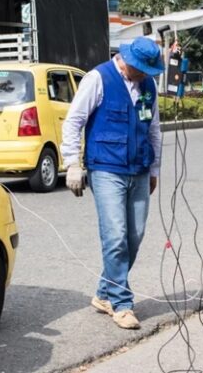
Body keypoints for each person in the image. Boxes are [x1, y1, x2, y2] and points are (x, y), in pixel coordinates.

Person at [61, 36, 164, 330]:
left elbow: (153, 128)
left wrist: (154, 169)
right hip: (107, 168)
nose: (145, 74)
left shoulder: (148, 86)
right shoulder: (98, 78)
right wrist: (72, 164)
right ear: (128, 60)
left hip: (140, 169)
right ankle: (121, 304)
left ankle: (104, 292)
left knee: (135, 235)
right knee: (116, 235)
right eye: (142, 68)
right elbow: (73, 121)